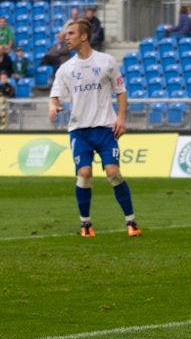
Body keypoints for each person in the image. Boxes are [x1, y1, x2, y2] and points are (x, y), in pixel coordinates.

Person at [49, 20, 140, 238]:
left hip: (106, 129)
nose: (65, 36)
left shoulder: (106, 61)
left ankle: (131, 222)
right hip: (79, 131)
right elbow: (54, 96)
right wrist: (53, 106)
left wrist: (121, 118)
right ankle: (86, 224)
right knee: (85, 173)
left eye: (70, 33)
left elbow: (121, 90)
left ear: (83, 37)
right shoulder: (65, 69)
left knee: (113, 173)